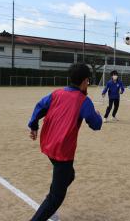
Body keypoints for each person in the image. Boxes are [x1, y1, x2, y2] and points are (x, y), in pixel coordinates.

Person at [28, 64, 102, 221]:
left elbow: (40, 106)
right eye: (88, 80)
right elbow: (96, 125)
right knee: (57, 196)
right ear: (85, 81)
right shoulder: (83, 100)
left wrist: (34, 126)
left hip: (48, 144)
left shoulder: (56, 93)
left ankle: (50, 203)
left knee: (70, 175)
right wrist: (97, 115)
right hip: (62, 151)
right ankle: (49, 207)